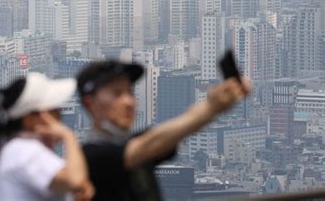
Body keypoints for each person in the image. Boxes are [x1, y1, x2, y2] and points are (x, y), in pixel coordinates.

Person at [77, 59, 251, 201]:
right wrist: (211, 107)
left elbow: (174, 129)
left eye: (130, 93)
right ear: (89, 102)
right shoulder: (89, 157)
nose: (129, 102)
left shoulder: (139, 144)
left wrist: (221, 99)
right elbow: (144, 146)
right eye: (117, 94)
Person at [0, 72, 95, 201]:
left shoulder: (17, 150)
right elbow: (76, 180)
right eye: (54, 110)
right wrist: (68, 136)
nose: (60, 115)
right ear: (31, 117)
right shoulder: (24, 151)